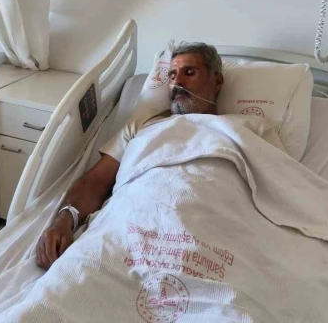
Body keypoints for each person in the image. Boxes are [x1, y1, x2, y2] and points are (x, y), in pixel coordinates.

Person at [35, 42, 224, 269]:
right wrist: (64, 220)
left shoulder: (245, 130)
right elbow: (96, 181)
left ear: (217, 81)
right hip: (130, 227)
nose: (177, 82)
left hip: (207, 231)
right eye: (172, 75)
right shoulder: (144, 124)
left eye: (189, 72)